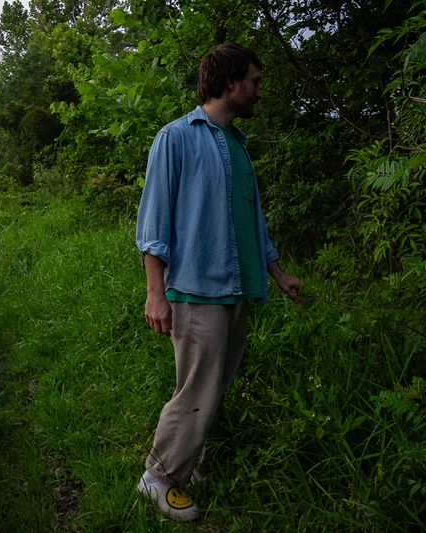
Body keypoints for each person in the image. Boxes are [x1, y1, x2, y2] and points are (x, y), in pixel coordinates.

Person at [135, 43, 302, 521]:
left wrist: (277, 271)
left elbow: (252, 221)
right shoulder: (176, 138)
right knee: (195, 391)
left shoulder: (237, 144)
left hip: (237, 289)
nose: (259, 91)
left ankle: (188, 463)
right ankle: (159, 477)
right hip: (196, 290)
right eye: (254, 80)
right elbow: (153, 224)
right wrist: (155, 293)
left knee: (216, 386)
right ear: (230, 83)